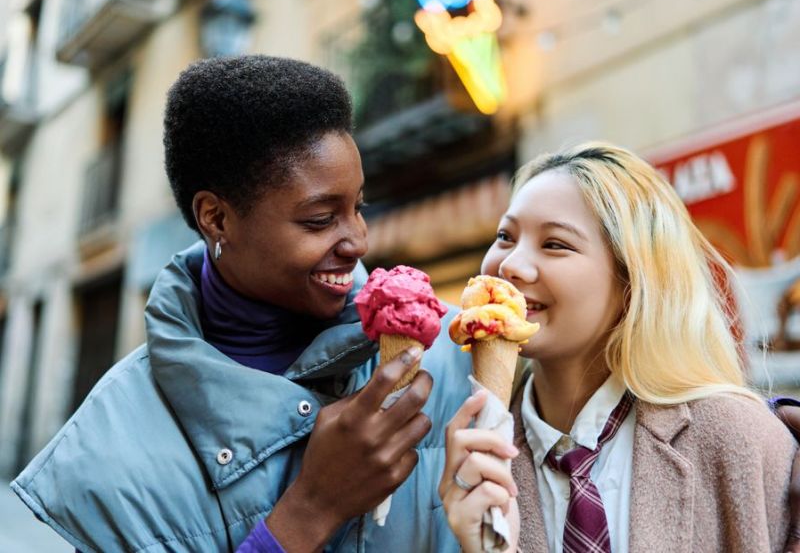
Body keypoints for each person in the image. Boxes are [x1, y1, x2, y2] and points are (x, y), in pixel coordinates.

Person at [10, 55, 472, 552]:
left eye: (357, 207)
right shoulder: (106, 453)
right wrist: (312, 509)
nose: (358, 240)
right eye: (319, 219)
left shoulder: (450, 350)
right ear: (216, 218)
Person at [439, 143, 799, 552]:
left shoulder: (738, 437)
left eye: (555, 244)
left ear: (632, 281)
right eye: (505, 236)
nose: (508, 265)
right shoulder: (463, 458)